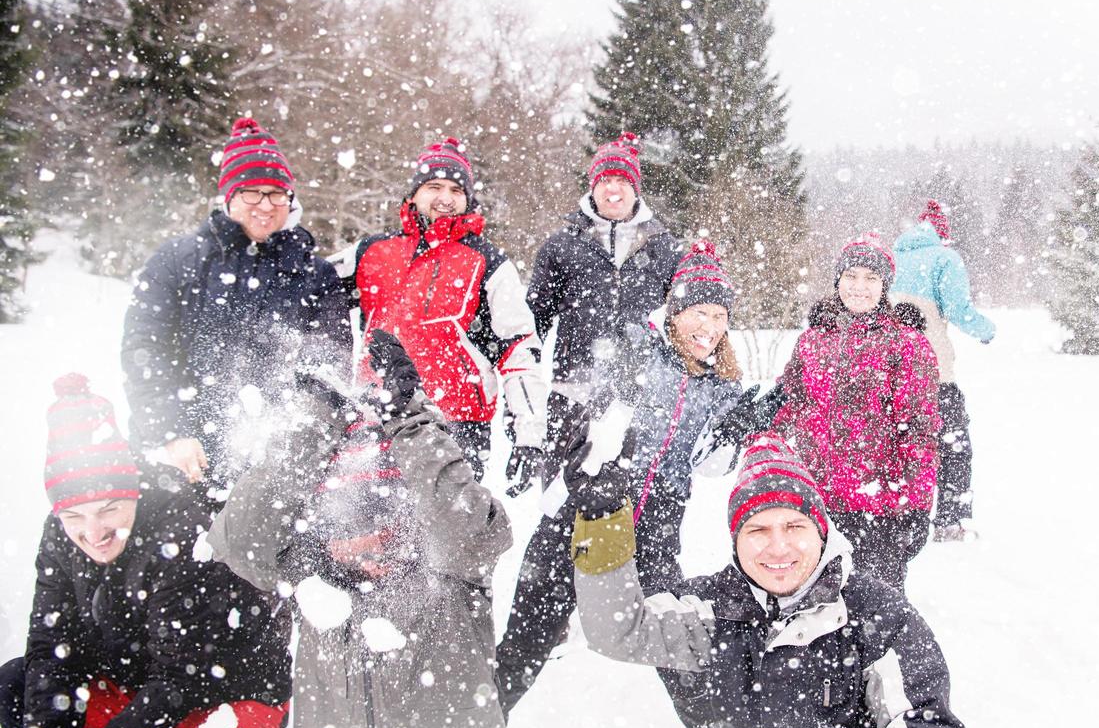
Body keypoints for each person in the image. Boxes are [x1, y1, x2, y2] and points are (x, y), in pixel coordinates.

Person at [207, 331, 546, 728]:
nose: (373, 538)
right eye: (354, 518)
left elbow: (464, 528)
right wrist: (313, 428)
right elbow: (242, 539)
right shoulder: (313, 582)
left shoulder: (454, 575)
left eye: (391, 518)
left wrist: (411, 421)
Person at [567, 433, 964, 728]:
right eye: (758, 530)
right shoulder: (714, 609)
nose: (777, 548)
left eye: (794, 527)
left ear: (821, 529)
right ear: (737, 539)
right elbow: (620, 630)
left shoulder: (876, 613)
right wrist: (601, 519)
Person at [498, 243, 781, 728]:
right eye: (701, 312)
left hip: (657, 523)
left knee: (675, 640)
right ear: (675, 312)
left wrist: (737, 428)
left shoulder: (720, 382)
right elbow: (582, 421)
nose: (712, 327)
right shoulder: (636, 350)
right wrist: (577, 471)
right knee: (526, 637)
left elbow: (710, 465)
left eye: (720, 316)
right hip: (587, 511)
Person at [2, 375, 292, 728]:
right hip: (145, 682)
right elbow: (51, 648)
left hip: (228, 692)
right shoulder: (59, 533)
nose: (93, 533)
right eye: (75, 516)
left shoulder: (182, 526)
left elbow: (182, 678)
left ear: (131, 490)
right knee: (15, 686)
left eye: (109, 510)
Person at [121, 117, 351, 495]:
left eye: (276, 193)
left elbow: (329, 365)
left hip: (276, 471)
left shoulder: (316, 274)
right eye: (252, 193)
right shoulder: (177, 260)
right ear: (229, 195)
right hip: (182, 458)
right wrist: (171, 431)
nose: (265, 205)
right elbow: (144, 351)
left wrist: (292, 446)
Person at [343, 137, 548, 487]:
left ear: (467, 198)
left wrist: (529, 435)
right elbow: (307, 285)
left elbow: (519, 350)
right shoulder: (371, 252)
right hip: (374, 419)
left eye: (456, 189)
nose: (445, 198)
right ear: (413, 195)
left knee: (445, 538)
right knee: (363, 536)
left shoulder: (489, 262)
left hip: (456, 426)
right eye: (434, 186)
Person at [772, 234, 941, 590]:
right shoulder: (813, 341)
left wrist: (916, 504)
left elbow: (920, 430)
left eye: (871, 278)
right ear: (838, 281)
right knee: (817, 611)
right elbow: (791, 403)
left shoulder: (905, 343)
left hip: (881, 509)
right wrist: (759, 434)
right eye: (851, 276)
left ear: (885, 286)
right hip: (819, 504)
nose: (859, 287)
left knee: (876, 615)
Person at [524, 131, 681, 468]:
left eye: (622, 180)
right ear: (592, 186)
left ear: (635, 188)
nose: (613, 188)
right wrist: (523, 416)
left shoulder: (663, 247)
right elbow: (530, 329)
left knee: (633, 508)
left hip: (640, 399)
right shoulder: (560, 247)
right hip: (573, 394)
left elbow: (682, 323)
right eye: (605, 179)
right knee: (561, 507)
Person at [891, 200, 996, 543]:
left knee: (901, 444)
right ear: (941, 234)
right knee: (953, 444)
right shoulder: (944, 259)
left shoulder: (892, 259)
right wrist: (986, 330)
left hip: (890, 371)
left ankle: (898, 517)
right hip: (933, 371)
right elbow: (957, 308)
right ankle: (950, 521)